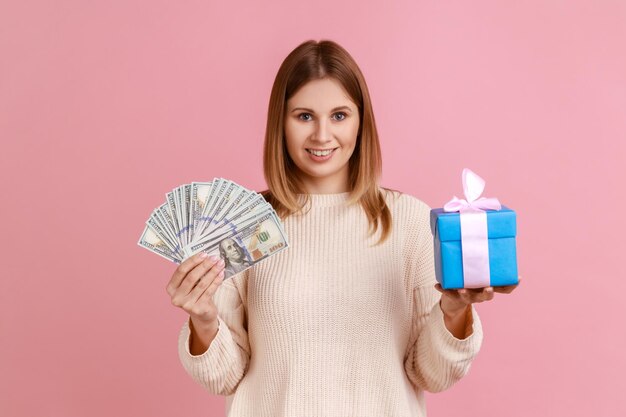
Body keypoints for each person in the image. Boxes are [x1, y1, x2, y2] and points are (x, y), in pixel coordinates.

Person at [165, 39, 518, 417]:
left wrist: (453, 312)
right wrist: (203, 321)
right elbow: (225, 378)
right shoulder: (243, 227)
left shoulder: (410, 222)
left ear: (361, 121)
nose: (321, 136)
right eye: (304, 116)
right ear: (280, 123)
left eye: (339, 115)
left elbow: (432, 374)